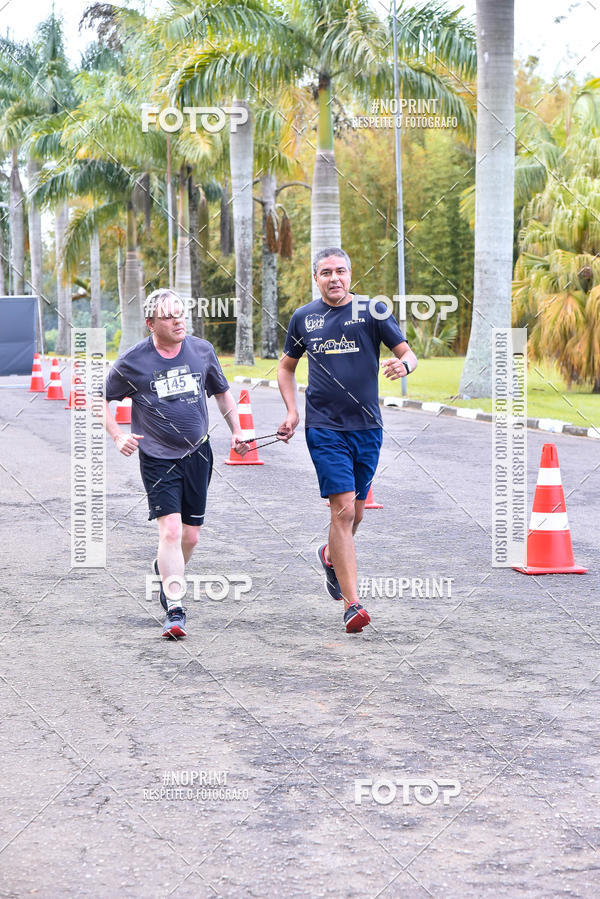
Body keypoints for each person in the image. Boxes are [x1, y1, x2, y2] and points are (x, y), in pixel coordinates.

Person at [277, 248, 417, 633]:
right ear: (316, 278)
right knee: (340, 510)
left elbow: (410, 355)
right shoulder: (304, 318)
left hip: (368, 427)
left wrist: (402, 364)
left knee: (356, 514)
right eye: (326, 272)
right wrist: (292, 411)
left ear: (351, 274)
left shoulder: (373, 311)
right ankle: (352, 604)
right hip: (324, 428)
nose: (334, 278)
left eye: (340, 271)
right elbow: (286, 367)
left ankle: (329, 556)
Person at [104, 288, 248, 638]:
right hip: (157, 457)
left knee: (191, 537)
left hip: (198, 453)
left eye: (180, 313)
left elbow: (221, 392)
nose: (178, 320)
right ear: (152, 323)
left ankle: (163, 568)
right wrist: (118, 435)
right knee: (169, 530)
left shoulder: (202, 351)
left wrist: (238, 431)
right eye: (169, 316)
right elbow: (100, 399)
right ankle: (175, 608)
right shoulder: (133, 362)